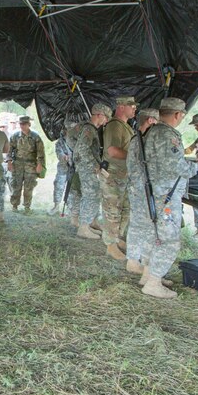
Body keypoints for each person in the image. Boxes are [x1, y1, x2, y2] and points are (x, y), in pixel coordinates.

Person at [141, 99, 198, 299]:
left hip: (156, 192)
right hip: (166, 195)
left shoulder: (153, 131)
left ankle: (149, 275)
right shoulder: (167, 134)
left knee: (156, 236)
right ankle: (153, 282)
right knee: (169, 241)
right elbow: (177, 167)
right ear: (177, 115)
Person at [100, 96, 136, 260]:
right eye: (131, 105)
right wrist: (134, 158)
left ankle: (117, 238)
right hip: (114, 176)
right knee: (113, 212)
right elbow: (113, 151)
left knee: (125, 209)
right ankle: (111, 245)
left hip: (123, 175)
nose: (134, 108)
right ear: (121, 107)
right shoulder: (115, 125)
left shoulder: (124, 126)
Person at [124, 107, 159, 276]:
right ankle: (147, 268)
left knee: (137, 224)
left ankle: (132, 260)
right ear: (151, 121)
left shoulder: (136, 139)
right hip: (143, 189)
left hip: (135, 187)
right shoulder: (145, 140)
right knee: (147, 227)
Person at [69, 103, 111, 238]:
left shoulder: (89, 128)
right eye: (105, 117)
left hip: (87, 167)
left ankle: (87, 224)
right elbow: (82, 148)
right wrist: (94, 165)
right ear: (99, 115)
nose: (106, 121)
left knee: (92, 194)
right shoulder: (88, 129)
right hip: (88, 168)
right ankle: (83, 228)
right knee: (90, 195)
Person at [8, 115, 45, 213]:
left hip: (31, 165)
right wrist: (9, 162)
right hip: (17, 164)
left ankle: (27, 207)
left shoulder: (35, 137)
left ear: (29, 124)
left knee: (29, 187)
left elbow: (40, 152)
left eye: (24, 124)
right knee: (16, 186)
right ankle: (14, 206)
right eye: (21, 124)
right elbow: (9, 150)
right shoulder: (15, 136)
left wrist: (40, 165)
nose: (22, 126)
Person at [50, 130, 74, 216]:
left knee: (71, 189)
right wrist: (64, 157)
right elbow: (59, 154)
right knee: (58, 186)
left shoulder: (76, 140)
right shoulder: (60, 142)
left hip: (73, 169)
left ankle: (70, 208)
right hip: (63, 168)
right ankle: (56, 206)